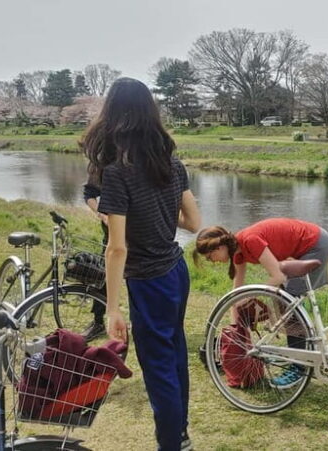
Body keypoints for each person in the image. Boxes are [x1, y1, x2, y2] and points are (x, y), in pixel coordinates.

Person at [83, 77, 201, 451]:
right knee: (175, 354)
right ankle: (180, 434)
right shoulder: (173, 164)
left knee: (159, 367)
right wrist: (157, 213)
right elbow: (193, 223)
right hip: (176, 271)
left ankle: (171, 443)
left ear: (113, 116)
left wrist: (112, 308)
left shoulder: (118, 173)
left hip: (149, 280)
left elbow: (117, 249)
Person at [193, 218, 328, 388]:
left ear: (219, 247)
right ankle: (305, 351)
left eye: (210, 257)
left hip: (316, 245)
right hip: (313, 242)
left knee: (289, 303)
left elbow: (278, 276)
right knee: (287, 302)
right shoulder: (238, 252)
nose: (212, 261)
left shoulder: (249, 240)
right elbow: (236, 295)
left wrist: (252, 296)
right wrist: (236, 332)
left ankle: (298, 368)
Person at [80, 175, 109, 341]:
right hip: (111, 234)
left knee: (139, 281)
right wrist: (101, 215)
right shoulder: (102, 166)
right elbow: (89, 194)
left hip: (139, 235)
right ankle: (98, 323)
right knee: (101, 278)